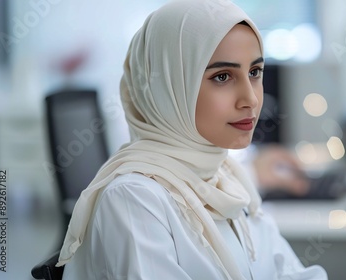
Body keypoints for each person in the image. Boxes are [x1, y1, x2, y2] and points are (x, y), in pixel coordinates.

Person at [56, 0, 328, 279]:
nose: (251, 99)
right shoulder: (133, 200)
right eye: (222, 76)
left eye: (254, 72)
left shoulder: (227, 177)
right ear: (167, 86)